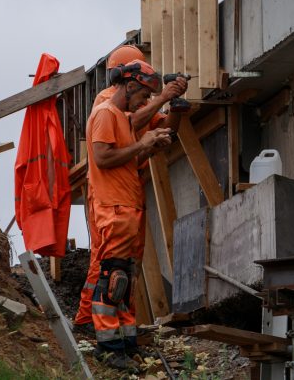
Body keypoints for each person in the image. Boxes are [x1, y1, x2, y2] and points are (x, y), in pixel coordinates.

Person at [84, 59, 175, 370]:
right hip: (114, 207)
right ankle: (108, 347)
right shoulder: (105, 114)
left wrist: (150, 147)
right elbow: (103, 157)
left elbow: (127, 163)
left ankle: (125, 342)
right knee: (113, 276)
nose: (146, 102)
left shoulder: (122, 118)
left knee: (126, 277)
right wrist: (143, 144)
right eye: (145, 95)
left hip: (127, 205)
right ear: (131, 84)